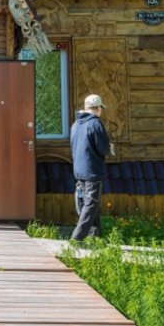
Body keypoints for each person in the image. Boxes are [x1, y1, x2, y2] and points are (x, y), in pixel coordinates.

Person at [70, 94, 111, 240]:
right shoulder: (95, 123)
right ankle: (77, 238)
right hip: (92, 170)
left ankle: (95, 238)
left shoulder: (76, 125)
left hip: (79, 170)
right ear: (98, 108)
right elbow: (103, 148)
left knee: (88, 204)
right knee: (91, 204)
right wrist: (109, 147)